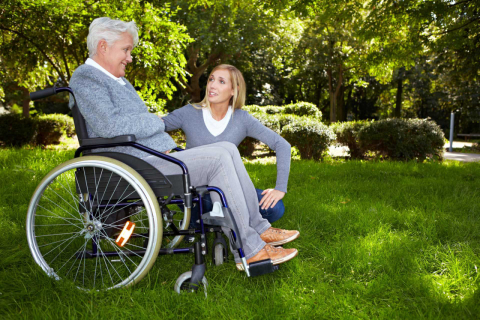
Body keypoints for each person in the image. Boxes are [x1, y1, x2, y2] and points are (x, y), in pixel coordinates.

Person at [69, 17, 299, 270]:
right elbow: (111, 126)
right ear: (103, 47)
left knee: (228, 149)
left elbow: (130, 123)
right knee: (220, 156)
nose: (130, 57)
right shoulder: (87, 78)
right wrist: (154, 121)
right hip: (137, 164)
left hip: (155, 159)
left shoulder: (118, 81)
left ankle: (259, 229)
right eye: (126, 50)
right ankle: (252, 250)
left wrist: (150, 123)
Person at [163, 64, 291, 224]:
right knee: (229, 204)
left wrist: (280, 188)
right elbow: (155, 126)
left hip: (229, 189)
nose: (212, 85)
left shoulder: (242, 119)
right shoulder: (189, 112)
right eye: (211, 79)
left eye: (221, 81)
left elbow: (282, 145)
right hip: (194, 192)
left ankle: (229, 221)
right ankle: (229, 221)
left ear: (233, 90)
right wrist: (163, 143)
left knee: (275, 208)